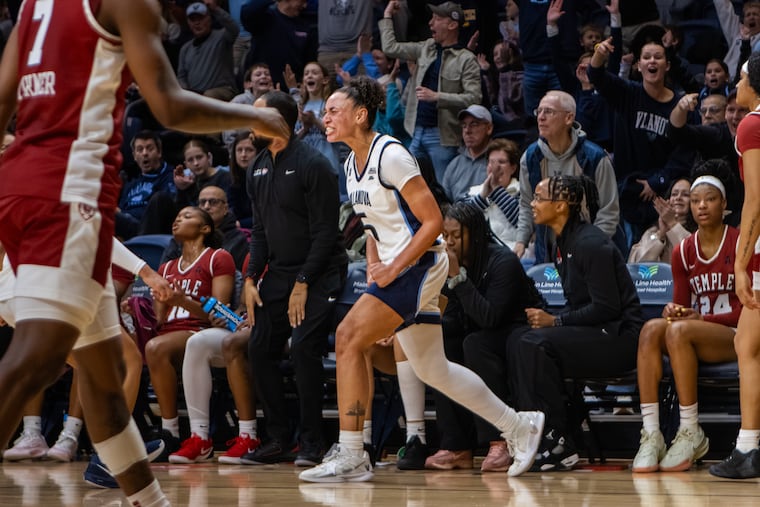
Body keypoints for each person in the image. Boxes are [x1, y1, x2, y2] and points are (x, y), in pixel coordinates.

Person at [0, 0, 287, 504]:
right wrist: (255, 117)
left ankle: (149, 500)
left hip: (20, 186)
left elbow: (2, 103)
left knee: (106, 380)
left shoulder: (33, 5)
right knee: (35, 361)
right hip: (68, 192)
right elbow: (169, 105)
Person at [299, 76, 544, 483]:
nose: (324, 117)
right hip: (398, 269)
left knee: (347, 337)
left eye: (333, 110)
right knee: (434, 369)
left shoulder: (391, 155)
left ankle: (353, 451)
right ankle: (519, 425)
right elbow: (373, 224)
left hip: (421, 264)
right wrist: (377, 264)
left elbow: (432, 222)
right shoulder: (348, 163)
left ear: (360, 115)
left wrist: (392, 270)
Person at [508, 175, 644, 472]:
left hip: (620, 337)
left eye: (539, 198)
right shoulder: (557, 239)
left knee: (536, 344)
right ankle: (543, 434)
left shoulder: (591, 244)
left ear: (560, 206)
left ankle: (556, 440)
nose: (532, 203)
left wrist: (556, 321)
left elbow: (607, 308)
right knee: (520, 339)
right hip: (593, 331)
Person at [241, 90, 348, 467]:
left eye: (258, 117)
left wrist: (303, 282)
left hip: (320, 272)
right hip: (281, 272)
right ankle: (277, 439)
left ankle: (312, 442)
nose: (250, 124)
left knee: (303, 347)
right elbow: (259, 231)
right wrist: (251, 277)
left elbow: (325, 234)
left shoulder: (314, 164)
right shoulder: (256, 167)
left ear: (278, 122)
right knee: (258, 347)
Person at [422, 201, 546, 473]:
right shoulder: (450, 262)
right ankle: (456, 446)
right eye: (447, 235)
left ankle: (499, 441)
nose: (450, 242)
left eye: (457, 235)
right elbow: (454, 317)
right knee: (439, 346)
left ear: (475, 233)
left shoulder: (503, 261)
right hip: (480, 331)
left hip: (518, 331)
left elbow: (490, 317)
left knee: (475, 344)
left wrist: (458, 278)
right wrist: (421, 327)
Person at [632, 171, 740, 473]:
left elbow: (750, 308)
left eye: (709, 199)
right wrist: (674, 311)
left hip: (737, 333)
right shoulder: (682, 250)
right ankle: (652, 433)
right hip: (694, 333)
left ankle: (691, 430)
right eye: (695, 201)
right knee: (652, 328)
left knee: (679, 330)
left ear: (724, 204)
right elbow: (681, 307)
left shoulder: (741, 241)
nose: (701, 206)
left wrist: (697, 318)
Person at [146, 206, 236, 458]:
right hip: (169, 332)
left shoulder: (218, 258)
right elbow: (160, 318)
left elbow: (219, 315)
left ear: (205, 228)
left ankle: (170, 433)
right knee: (149, 345)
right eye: (176, 216)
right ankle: (165, 433)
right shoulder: (165, 268)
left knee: (155, 348)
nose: (178, 219)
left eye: (187, 216)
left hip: (200, 329)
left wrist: (182, 300)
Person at [710, 54, 760, 479]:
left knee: (749, 347)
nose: (737, 85)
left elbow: (756, 200)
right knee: (748, 344)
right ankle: (748, 444)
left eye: (741, 78)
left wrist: (741, 264)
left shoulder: (752, 124)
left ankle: (748, 449)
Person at [589, 31, 680, 243]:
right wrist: (599, 54)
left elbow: (683, 153)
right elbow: (596, 76)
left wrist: (656, 181)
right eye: (647, 57)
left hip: (662, 193)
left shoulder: (679, 106)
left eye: (658, 57)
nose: (652, 61)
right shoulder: (627, 93)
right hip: (626, 192)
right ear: (638, 66)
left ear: (667, 65)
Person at [380, 0, 482, 183]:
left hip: (443, 136)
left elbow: (474, 98)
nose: (430, 23)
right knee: (410, 186)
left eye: (436, 19)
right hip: (415, 130)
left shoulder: (466, 59)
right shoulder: (426, 47)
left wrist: (437, 97)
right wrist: (387, 15)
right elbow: (390, 48)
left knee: (444, 187)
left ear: (452, 24)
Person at [513, 90, 620, 264]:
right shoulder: (530, 157)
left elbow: (609, 212)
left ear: (569, 118)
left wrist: (591, 249)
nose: (541, 117)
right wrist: (520, 242)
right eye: (538, 111)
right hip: (547, 253)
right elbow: (526, 204)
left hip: (590, 254)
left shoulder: (595, 158)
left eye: (548, 111)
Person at [162, 185, 249, 271]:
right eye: (202, 202)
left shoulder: (238, 239)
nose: (206, 207)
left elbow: (235, 277)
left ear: (225, 209)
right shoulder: (182, 237)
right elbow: (164, 273)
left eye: (213, 202)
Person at [116, 130, 178, 239]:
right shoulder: (131, 183)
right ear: (134, 156)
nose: (145, 153)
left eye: (149, 148)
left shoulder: (171, 176)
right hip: (129, 227)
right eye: (140, 150)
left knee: (160, 198)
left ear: (159, 152)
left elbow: (167, 209)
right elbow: (121, 210)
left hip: (151, 228)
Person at [467, 138, 522, 250]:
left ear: (513, 168)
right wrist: (482, 196)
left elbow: (522, 221)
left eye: (501, 162)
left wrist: (496, 189)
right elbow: (461, 220)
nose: (495, 167)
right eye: (491, 162)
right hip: (480, 254)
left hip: (513, 254)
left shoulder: (522, 192)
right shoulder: (474, 192)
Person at [177, 1, 238, 100]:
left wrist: (216, 9)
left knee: (209, 96)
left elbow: (234, 29)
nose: (197, 23)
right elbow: (181, 76)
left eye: (201, 18)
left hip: (222, 90)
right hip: (195, 95)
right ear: (189, 23)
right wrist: (186, 91)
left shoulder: (222, 37)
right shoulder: (185, 49)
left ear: (209, 19)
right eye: (193, 19)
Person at [627, 177, 693, 263]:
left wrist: (672, 223)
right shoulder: (653, 232)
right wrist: (660, 235)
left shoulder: (699, 232)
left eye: (685, 195)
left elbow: (693, 255)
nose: (678, 198)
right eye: (674, 194)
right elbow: (635, 263)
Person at [441, 105, 493, 203]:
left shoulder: (498, 161)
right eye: (464, 125)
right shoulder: (454, 164)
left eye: (474, 124)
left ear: (489, 128)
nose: (467, 130)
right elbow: (445, 202)